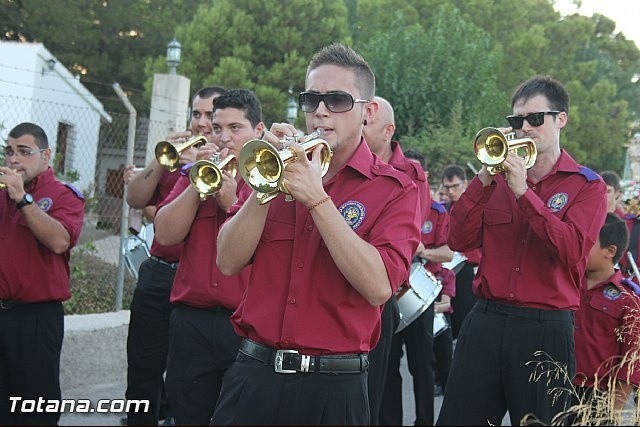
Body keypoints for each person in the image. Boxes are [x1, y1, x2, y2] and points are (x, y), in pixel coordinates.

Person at [211, 43, 422, 426]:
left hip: (332, 388)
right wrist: (265, 187)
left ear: (367, 111)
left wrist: (318, 200)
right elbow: (227, 261)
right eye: (311, 100)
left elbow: (379, 286)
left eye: (337, 99)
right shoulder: (280, 168)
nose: (320, 111)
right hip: (254, 375)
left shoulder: (396, 190)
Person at [438, 75, 608, 426]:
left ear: (561, 119)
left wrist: (524, 195)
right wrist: (484, 179)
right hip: (486, 319)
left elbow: (573, 251)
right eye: (517, 121)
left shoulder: (586, 186)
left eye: (535, 119)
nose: (524, 127)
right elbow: (457, 239)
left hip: (545, 328)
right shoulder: (496, 177)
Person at [153, 88, 264, 425]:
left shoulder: (267, 181)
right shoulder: (193, 174)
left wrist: (232, 204)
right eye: (218, 129)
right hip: (192, 322)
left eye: (235, 128)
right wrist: (195, 185)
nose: (225, 138)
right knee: (188, 414)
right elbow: (166, 234)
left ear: (258, 132)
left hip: (244, 325)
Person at [123, 86, 225, 426]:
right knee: (143, 367)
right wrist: (161, 158)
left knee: (190, 379)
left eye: (210, 115)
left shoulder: (234, 160)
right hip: (161, 270)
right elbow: (135, 198)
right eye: (196, 114)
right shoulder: (178, 153)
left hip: (200, 281)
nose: (202, 123)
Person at [0, 122, 85, 425]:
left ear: (46, 155)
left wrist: (23, 200)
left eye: (24, 152)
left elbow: (60, 240)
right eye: (9, 152)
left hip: (36, 318)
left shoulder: (63, 195)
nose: (13, 159)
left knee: (35, 406)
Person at [362, 96, 430, 425]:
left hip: (385, 287)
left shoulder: (411, 174)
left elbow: (410, 231)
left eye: (366, 123)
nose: (358, 129)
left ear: (388, 130)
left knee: (384, 377)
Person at [379, 148, 451, 426]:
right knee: (388, 366)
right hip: (390, 292)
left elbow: (448, 252)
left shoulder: (437, 210)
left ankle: (424, 422)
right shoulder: (389, 200)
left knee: (422, 365)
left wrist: (424, 250)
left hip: (421, 295)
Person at [572, 213, 640, 425]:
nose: (579, 248)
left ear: (610, 251)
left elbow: (632, 360)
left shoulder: (628, 299)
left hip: (597, 395)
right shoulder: (566, 282)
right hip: (556, 384)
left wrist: (613, 408)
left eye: (588, 243)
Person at [440, 164, 480, 339]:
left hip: (467, 270)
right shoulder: (442, 210)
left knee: (466, 321)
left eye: (455, 186)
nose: (451, 191)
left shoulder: (475, 207)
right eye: (447, 187)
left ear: (465, 184)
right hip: (445, 270)